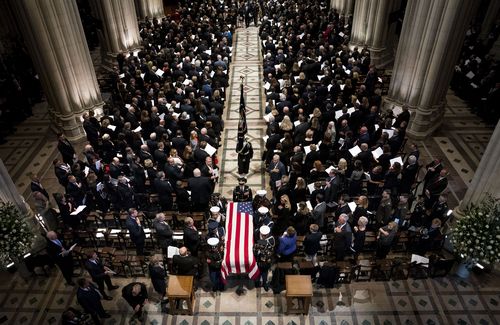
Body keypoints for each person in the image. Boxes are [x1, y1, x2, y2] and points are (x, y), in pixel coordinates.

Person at [254, 225, 275, 291]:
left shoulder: (261, 242)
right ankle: (265, 285)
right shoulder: (272, 239)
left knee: (259, 272)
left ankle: (257, 284)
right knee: (265, 273)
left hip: (261, 261)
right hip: (268, 260)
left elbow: (255, 250)